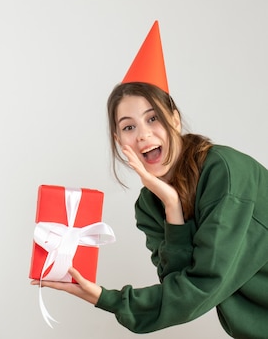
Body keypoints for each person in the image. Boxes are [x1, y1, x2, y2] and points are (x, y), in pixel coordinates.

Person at [31, 21, 268, 338]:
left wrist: (107, 299)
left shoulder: (223, 172)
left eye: (153, 118)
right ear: (119, 140)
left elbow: (199, 288)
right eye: (129, 127)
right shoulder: (149, 206)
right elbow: (176, 283)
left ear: (175, 117)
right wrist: (171, 205)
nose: (143, 135)